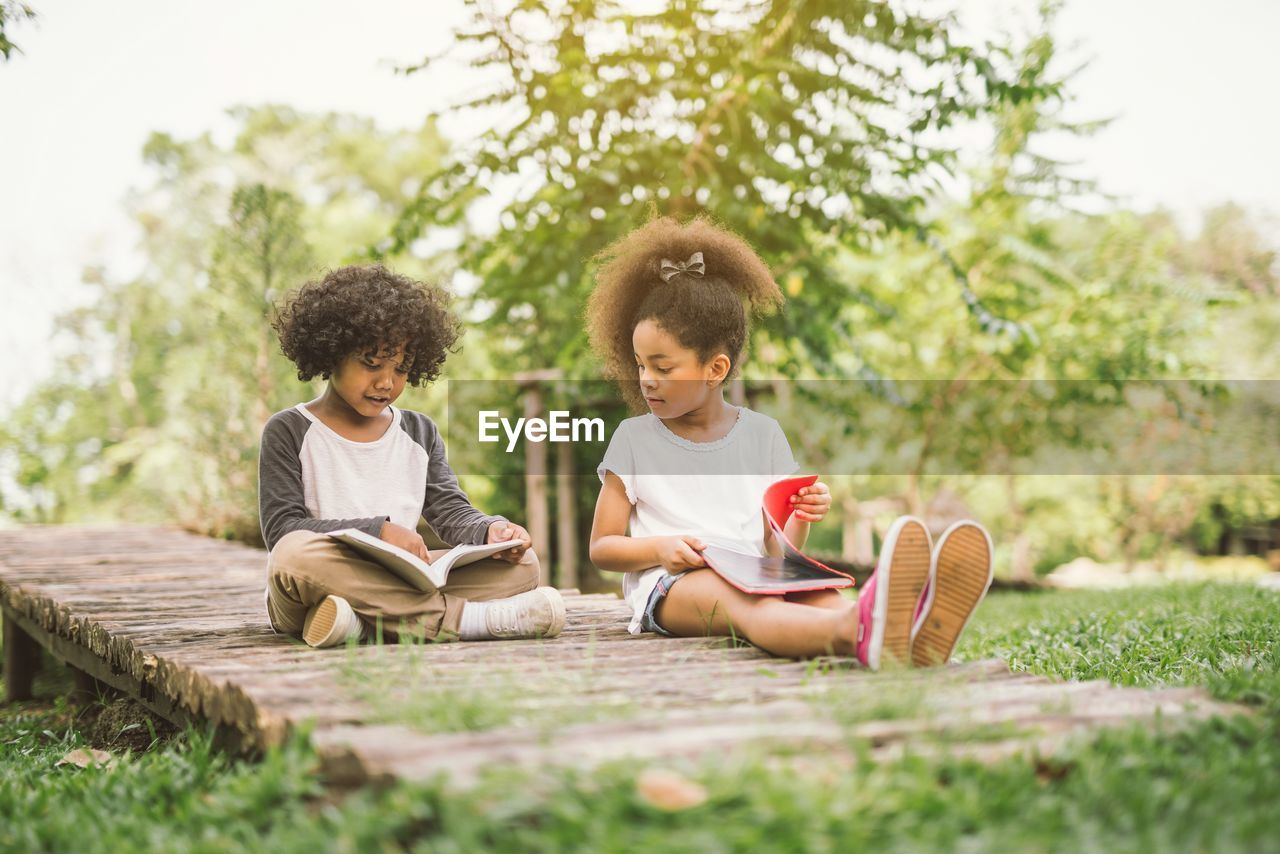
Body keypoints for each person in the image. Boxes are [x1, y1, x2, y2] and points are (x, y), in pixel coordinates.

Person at [586, 217, 992, 666]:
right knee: (751, 609)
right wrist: (659, 548)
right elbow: (603, 546)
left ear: (715, 370)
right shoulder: (634, 439)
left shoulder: (763, 435)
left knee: (820, 597)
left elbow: (779, 549)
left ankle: (908, 636)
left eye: (663, 368)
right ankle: (859, 631)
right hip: (672, 583)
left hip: (758, 571)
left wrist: (800, 513)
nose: (646, 380)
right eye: (641, 365)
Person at [259, 264, 565, 648]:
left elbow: (451, 512)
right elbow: (282, 530)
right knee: (292, 554)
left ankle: (364, 625)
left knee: (523, 565)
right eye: (371, 364)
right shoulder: (288, 430)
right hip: (317, 584)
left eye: (401, 369)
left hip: (398, 583)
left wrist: (492, 531)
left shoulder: (419, 432)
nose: (386, 382)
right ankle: (466, 620)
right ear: (331, 353)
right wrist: (380, 531)